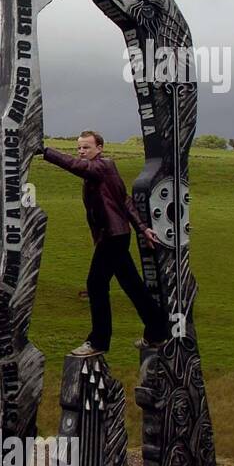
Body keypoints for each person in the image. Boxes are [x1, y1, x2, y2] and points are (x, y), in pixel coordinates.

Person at [40, 130, 170, 356]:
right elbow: (125, 201)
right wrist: (142, 228)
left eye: (86, 147)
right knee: (132, 285)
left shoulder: (102, 166)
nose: (81, 152)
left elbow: (77, 166)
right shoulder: (101, 171)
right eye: (79, 148)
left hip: (113, 236)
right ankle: (158, 332)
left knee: (96, 285)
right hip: (115, 235)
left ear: (99, 148)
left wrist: (45, 151)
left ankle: (99, 341)